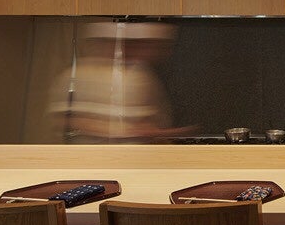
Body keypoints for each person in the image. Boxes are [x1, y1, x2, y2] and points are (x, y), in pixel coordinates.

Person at [48, 21, 191, 143]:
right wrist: (127, 131)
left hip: (132, 159)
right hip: (86, 158)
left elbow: (151, 121)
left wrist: (158, 132)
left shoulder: (141, 75)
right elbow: (64, 121)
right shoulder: (76, 75)